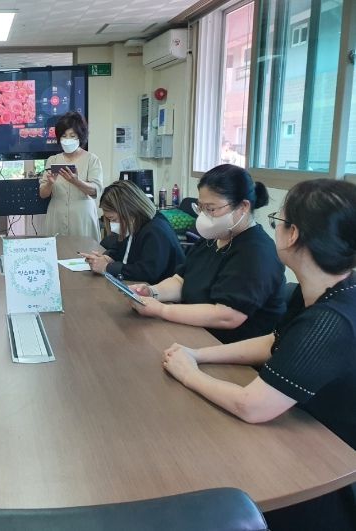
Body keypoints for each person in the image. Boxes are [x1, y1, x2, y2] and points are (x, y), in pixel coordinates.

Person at [160, 179, 356, 530]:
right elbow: (274, 342)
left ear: (293, 234)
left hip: (329, 471)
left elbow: (253, 406)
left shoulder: (330, 321)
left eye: (278, 220)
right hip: (301, 427)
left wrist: (189, 373)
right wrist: (199, 354)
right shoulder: (327, 290)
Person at [129, 164, 285, 343]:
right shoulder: (213, 238)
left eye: (211, 209)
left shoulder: (256, 253)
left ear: (243, 207)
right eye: (201, 208)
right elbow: (181, 281)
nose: (204, 216)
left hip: (227, 348)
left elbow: (227, 316)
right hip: (194, 333)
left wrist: (162, 310)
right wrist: (152, 292)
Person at [80, 180, 184, 284]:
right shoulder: (135, 224)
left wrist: (107, 267)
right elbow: (119, 249)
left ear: (128, 210)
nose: (112, 225)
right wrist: (107, 258)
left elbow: (147, 272)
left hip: (159, 290)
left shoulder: (155, 231)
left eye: (114, 219)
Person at [39, 111, 103, 239]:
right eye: (64, 136)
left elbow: (95, 191)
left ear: (80, 136)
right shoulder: (53, 160)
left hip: (82, 216)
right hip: (56, 215)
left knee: (84, 249)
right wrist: (50, 183)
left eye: (72, 135)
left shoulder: (92, 159)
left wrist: (76, 182)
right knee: (57, 248)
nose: (67, 139)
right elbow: (43, 194)